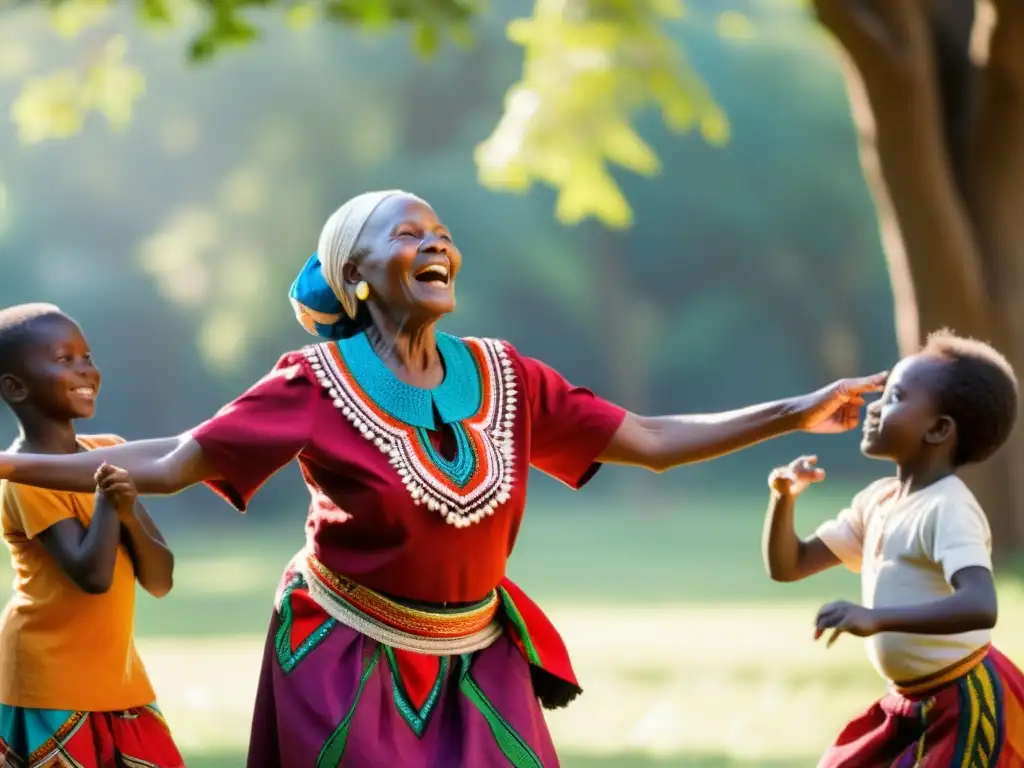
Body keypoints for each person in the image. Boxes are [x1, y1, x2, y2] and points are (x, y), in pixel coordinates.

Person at [0, 191, 884, 767]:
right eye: (408, 234)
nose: (436, 246)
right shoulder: (314, 383)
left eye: (444, 237)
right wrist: (7, 461)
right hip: (343, 657)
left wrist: (795, 409)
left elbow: (649, 438)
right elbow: (172, 457)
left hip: (479, 657)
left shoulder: (509, 376)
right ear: (355, 273)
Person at [762, 330, 1024, 767]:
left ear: (939, 429)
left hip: (963, 701)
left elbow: (981, 604)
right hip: (908, 702)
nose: (875, 408)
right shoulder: (880, 501)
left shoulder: (949, 508)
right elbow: (790, 565)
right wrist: (784, 499)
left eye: (896, 398)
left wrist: (874, 618)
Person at [0, 304, 183, 767]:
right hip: (47, 682)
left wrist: (126, 509)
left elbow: (160, 579)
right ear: (14, 387)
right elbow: (92, 575)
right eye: (64, 360)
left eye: (87, 356)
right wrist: (108, 500)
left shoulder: (109, 451)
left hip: (119, 678)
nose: (85, 369)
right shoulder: (24, 478)